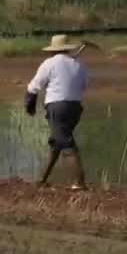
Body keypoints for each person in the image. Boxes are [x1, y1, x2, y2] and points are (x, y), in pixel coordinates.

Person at [25, 34, 90, 189]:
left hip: (57, 108)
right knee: (57, 142)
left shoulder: (50, 63)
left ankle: (79, 183)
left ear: (52, 50)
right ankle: (42, 179)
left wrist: (30, 106)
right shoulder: (79, 64)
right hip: (75, 108)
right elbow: (85, 85)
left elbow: (33, 87)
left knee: (66, 143)